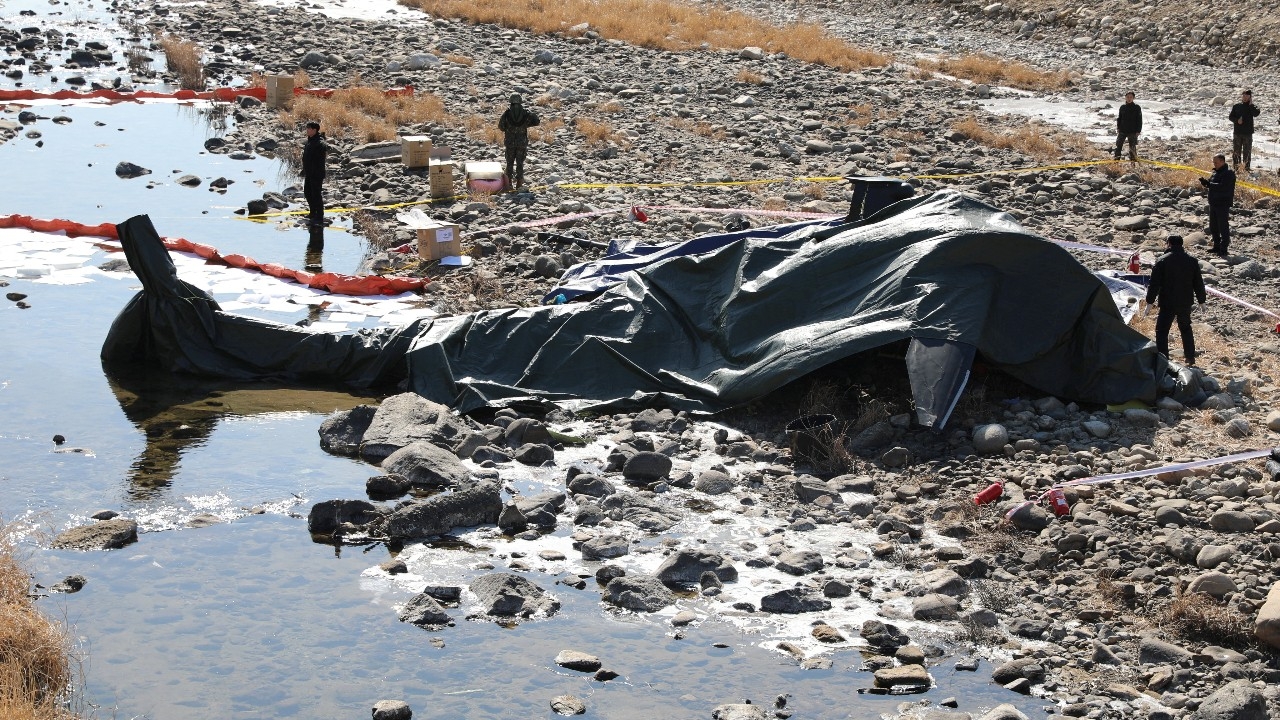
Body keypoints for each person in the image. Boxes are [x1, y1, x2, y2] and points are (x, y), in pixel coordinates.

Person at [1145, 235, 1206, 365]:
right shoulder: (1192, 261)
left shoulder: (1162, 261)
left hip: (1168, 302)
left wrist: (1149, 302)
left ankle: (1163, 358)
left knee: (1162, 331)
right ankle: (1190, 357)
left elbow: (1154, 284)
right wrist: (1202, 301)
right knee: (1185, 328)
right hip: (1185, 302)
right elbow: (1198, 283)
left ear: (1169, 244)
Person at [498, 93, 540, 188]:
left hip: (510, 142)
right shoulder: (526, 113)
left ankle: (509, 183)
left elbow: (501, 126)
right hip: (522, 142)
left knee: (509, 162)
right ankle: (519, 183)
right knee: (520, 163)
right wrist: (526, 125)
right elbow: (536, 121)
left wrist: (508, 129)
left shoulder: (507, 114)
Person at [1199, 154, 1236, 256]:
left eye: (1216, 162)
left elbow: (1223, 186)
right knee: (1213, 226)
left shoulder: (1228, 173)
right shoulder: (1216, 172)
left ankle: (1223, 248)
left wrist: (1210, 184)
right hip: (1214, 203)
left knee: (1223, 226)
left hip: (1223, 203)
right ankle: (1216, 246)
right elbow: (1212, 183)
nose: (1214, 164)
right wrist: (1206, 182)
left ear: (1222, 161)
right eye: (1214, 162)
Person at [301, 120, 328, 225]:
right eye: (307, 128)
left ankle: (319, 216)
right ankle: (312, 212)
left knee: (316, 195)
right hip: (309, 173)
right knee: (307, 193)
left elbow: (323, 147)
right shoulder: (310, 140)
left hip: (316, 173)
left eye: (309, 128)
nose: (307, 130)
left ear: (315, 130)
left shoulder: (319, 142)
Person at [1228, 89, 1259, 171]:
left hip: (1248, 133)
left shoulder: (1253, 107)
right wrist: (1237, 120)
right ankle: (1236, 168)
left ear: (1250, 97)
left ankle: (1246, 168)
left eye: (1247, 96)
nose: (1245, 97)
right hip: (1237, 132)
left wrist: (1251, 105)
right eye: (1244, 95)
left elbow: (1256, 114)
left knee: (1247, 152)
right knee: (1236, 151)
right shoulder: (1237, 106)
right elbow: (1230, 117)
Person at [1114, 91, 1142, 161]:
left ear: (1133, 98)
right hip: (1122, 130)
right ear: (1125, 98)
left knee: (1132, 148)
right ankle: (1116, 161)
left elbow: (1139, 120)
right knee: (1118, 146)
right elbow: (1119, 118)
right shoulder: (1122, 107)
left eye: (1131, 97)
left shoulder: (1137, 107)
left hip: (1132, 131)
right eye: (1127, 97)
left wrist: (1138, 130)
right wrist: (1118, 128)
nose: (1129, 99)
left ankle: (1133, 163)